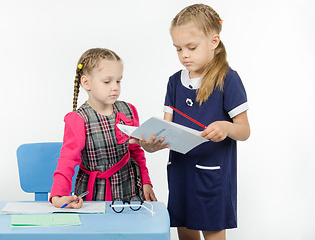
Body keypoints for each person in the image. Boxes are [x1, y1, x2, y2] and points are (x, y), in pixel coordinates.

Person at [131, 4, 250, 240]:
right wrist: (151, 144)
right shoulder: (174, 82)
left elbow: (244, 130)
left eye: (191, 47)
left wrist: (226, 128)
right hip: (181, 172)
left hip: (211, 174)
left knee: (212, 230)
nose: (184, 55)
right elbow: (167, 128)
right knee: (184, 231)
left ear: (214, 41)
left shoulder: (228, 79)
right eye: (178, 49)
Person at [50, 48, 157, 209]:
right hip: (94, 191)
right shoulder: (78, 119)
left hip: (129, 187)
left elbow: (136, 152)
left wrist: (146, 183)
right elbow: (67, 160)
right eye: (107, 82)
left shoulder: (129, 110)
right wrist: (58, 197)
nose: (115, 87)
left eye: (118, 81)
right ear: (86, 83)